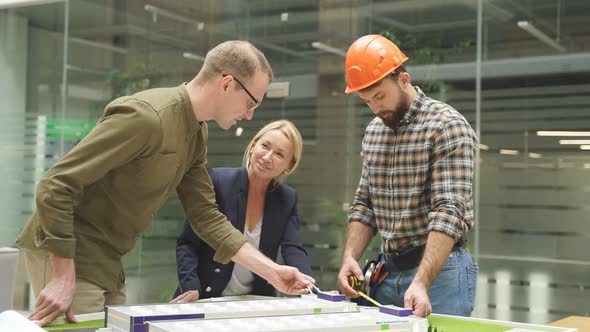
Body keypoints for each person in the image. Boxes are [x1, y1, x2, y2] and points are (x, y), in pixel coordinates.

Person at [15, 40, 314, 327]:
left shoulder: (196, 133)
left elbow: (207, 217)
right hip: (70, 251)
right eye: (250, 103)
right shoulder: (147, 117)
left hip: (109, 259)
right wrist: (62, 273)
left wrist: (274, 272)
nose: (249, 115)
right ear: (226, 84)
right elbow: (55, 184)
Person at [336, 34, 478, 317]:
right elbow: (365, 204)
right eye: (367, 101)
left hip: (441, 274)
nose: (376, 108)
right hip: (387, 273)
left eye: (380, 96)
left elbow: (448, 210)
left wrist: (422, 282)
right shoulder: (374, 131)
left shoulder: (446, 125)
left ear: (403, 79)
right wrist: (349, 258)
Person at [171, 120, 313, 303]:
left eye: (279, 154)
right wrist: (190, 286)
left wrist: (309, 286)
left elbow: (293, 248)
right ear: (253, 146)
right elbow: (187, 243)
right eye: (265, 146)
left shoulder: (286, 198)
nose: (268, 157)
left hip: (254, 302)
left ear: (289, 165)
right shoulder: (219, 181)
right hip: (203, 296)